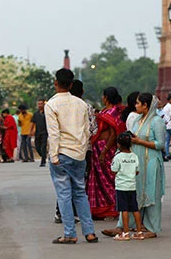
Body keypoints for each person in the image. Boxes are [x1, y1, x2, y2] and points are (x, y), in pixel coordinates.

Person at [45, 68, 97, 244]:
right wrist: (81, 151)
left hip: (61, 153)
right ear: (72, 84)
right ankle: (89, 232)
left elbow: (53, 133)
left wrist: (54, 157)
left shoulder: (51, 105)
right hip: (78, 153)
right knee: (80, 193)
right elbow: (86, 131)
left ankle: (69, 233)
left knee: (64, 195)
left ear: (55, 83)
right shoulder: (81, 104)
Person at [103, 93, 165, 239]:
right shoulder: (137, 119)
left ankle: (152, 228)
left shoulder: (157, 121)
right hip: (136, 162)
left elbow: (160, 144)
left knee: (151, 193)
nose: (135, 106)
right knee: (132, 191)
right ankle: (124, 225)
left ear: (146, 105)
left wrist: (140, 142)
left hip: (151, 162)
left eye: (138, 103)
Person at [88, 87, 124, 220]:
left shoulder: (113, 111)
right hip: (98, 147)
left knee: (109, 179)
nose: (102, 98)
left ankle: (112, 208)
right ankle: (101, 208)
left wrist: (105, 151)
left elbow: (113, 133)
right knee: (99, 180)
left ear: (107, 97)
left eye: (103, 96)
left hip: (106, 148)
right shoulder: (105, 111)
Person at [111, 131, 145, 241]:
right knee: (135, 209)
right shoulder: (134, 156)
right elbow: (137, 171)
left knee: (124, 210)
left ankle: (125, 233)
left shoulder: (118, 157)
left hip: (121, 187)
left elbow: (113, 170)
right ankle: (139, 232)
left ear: (119, 145)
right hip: (132, 186)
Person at [32, 99, 48, 167]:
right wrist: (31, 130)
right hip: (37, 132)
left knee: (43, 146)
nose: (39, 105)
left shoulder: (47, 113)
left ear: (44, 104)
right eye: (38, 104)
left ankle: (43, 161)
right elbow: (32, 122)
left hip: (45, 132)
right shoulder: (36, 114)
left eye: (41, 104)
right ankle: (44, 155)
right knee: (37, 147)